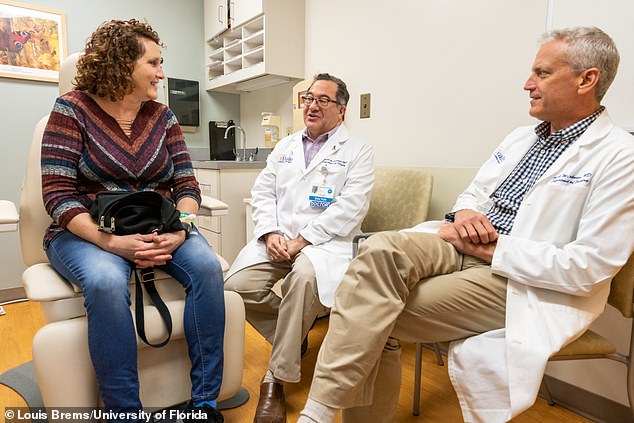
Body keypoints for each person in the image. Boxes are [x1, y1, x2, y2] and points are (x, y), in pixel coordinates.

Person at [298, 26, 634, 423]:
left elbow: (590, 267)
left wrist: (494, 249)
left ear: (587, 79)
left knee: (371, 313)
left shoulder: (620, 155)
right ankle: (319, 413)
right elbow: (472, 194)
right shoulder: (520, 139)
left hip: (522, 277)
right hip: (464, 245)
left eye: (542, 73)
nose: (528, 84)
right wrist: (466, 215)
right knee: (380, 249)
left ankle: (315, 414)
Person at [41, 19, 225, 423]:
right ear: (122, 64)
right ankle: (125, 413)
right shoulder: (71, 110)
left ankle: (205, 403)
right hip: (86, 231)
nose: (162, 73)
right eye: (154, 63)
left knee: (209, 267)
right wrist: (110, 243)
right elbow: (57, 195)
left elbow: (186, 185)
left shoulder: (164, 118)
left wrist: (181, 229)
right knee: (106, 282)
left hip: (162, 225)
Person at [224, 73, 374, 422]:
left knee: (303, 279)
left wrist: (303, 240)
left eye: (323, 99)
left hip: (325, 244)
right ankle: (291, 334)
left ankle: (275, 381)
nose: (312, 105)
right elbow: (263, 192)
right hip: (279, 240)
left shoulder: (358, 150)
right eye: (308, 98)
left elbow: (352, 207)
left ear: (342, 110)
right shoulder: (286, 146)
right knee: (234, 288)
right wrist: (271, 232)